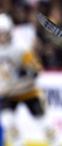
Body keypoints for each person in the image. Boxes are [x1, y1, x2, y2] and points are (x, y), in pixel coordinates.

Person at [0, 13, 58, 146]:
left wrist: (17, 83)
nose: (1, 37)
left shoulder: (20, 47)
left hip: (27, 90)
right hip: (9, 93)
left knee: (44, 124)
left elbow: (36, 71)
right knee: (8, 123)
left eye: (3, 33)